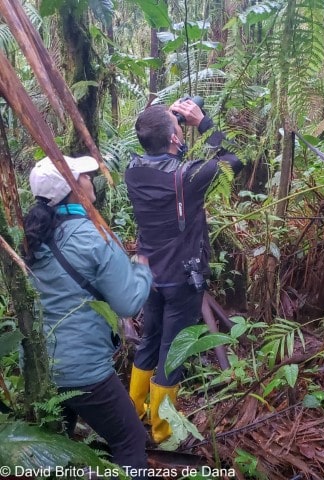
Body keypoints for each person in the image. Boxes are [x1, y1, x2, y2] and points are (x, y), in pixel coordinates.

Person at [24, 155, 152, 476]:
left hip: (40, 367)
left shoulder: (30, 238)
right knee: (130, 441)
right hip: (84, 372)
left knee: (54, 449)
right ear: (71, 188)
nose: (90, 180)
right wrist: (143, 268)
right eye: (83, 175)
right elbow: (129, 302)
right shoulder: (93, 236)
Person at [125, 98, 243, 443]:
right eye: (177, 127)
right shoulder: (189, 177)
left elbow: (154, 136)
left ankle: (134, 414)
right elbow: (234, 159)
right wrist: (203, 121)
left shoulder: (132, 169)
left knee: (149, 340)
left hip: (149, 275)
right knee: (172, 350)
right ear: (176, 139)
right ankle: (164, 432)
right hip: (181, 278)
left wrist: (169, 121)